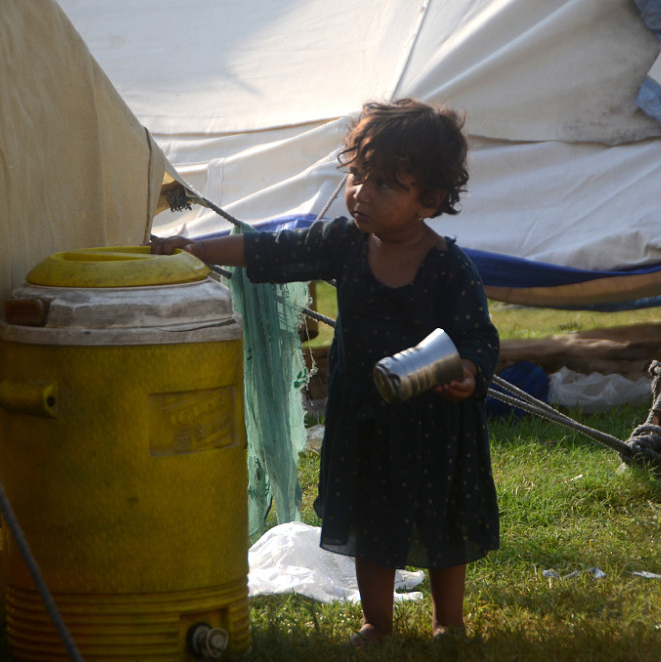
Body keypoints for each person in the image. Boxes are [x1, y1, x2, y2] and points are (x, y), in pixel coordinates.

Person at [151, 98, 500, 647]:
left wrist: (469, 372)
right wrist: (196, 247)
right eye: (358, 175)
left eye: (385, 183)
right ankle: (376, 622)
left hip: (433, 426)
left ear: (429, 201)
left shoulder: (449, 268)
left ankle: (448, 621)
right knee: (368, 517)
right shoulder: (344, 243)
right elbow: (273, 249)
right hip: (363, 416)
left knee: (441, 522)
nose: (360, 191)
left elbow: (479, 338)